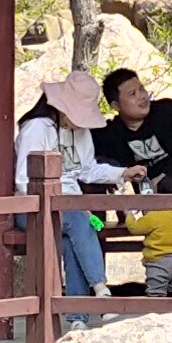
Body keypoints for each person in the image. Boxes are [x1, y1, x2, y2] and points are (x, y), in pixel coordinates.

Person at [12, 71, 123, 327]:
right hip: (33, 208)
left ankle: (77, 320)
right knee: (80, 221)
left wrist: (123, 173)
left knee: (74, 242)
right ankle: (100, 288)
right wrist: (67, 205)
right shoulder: (36, 129)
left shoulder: (81, 131)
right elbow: (23, 181)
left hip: (72, 209)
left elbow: (88, 170)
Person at [96, 68, 172, 294]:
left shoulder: (167, 113)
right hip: (148, 207)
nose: (142, 96)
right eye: (132, 94)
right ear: (115, 105)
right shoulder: (111, 135)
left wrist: (165, 177)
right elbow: (89, 160)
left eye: (141, 89)